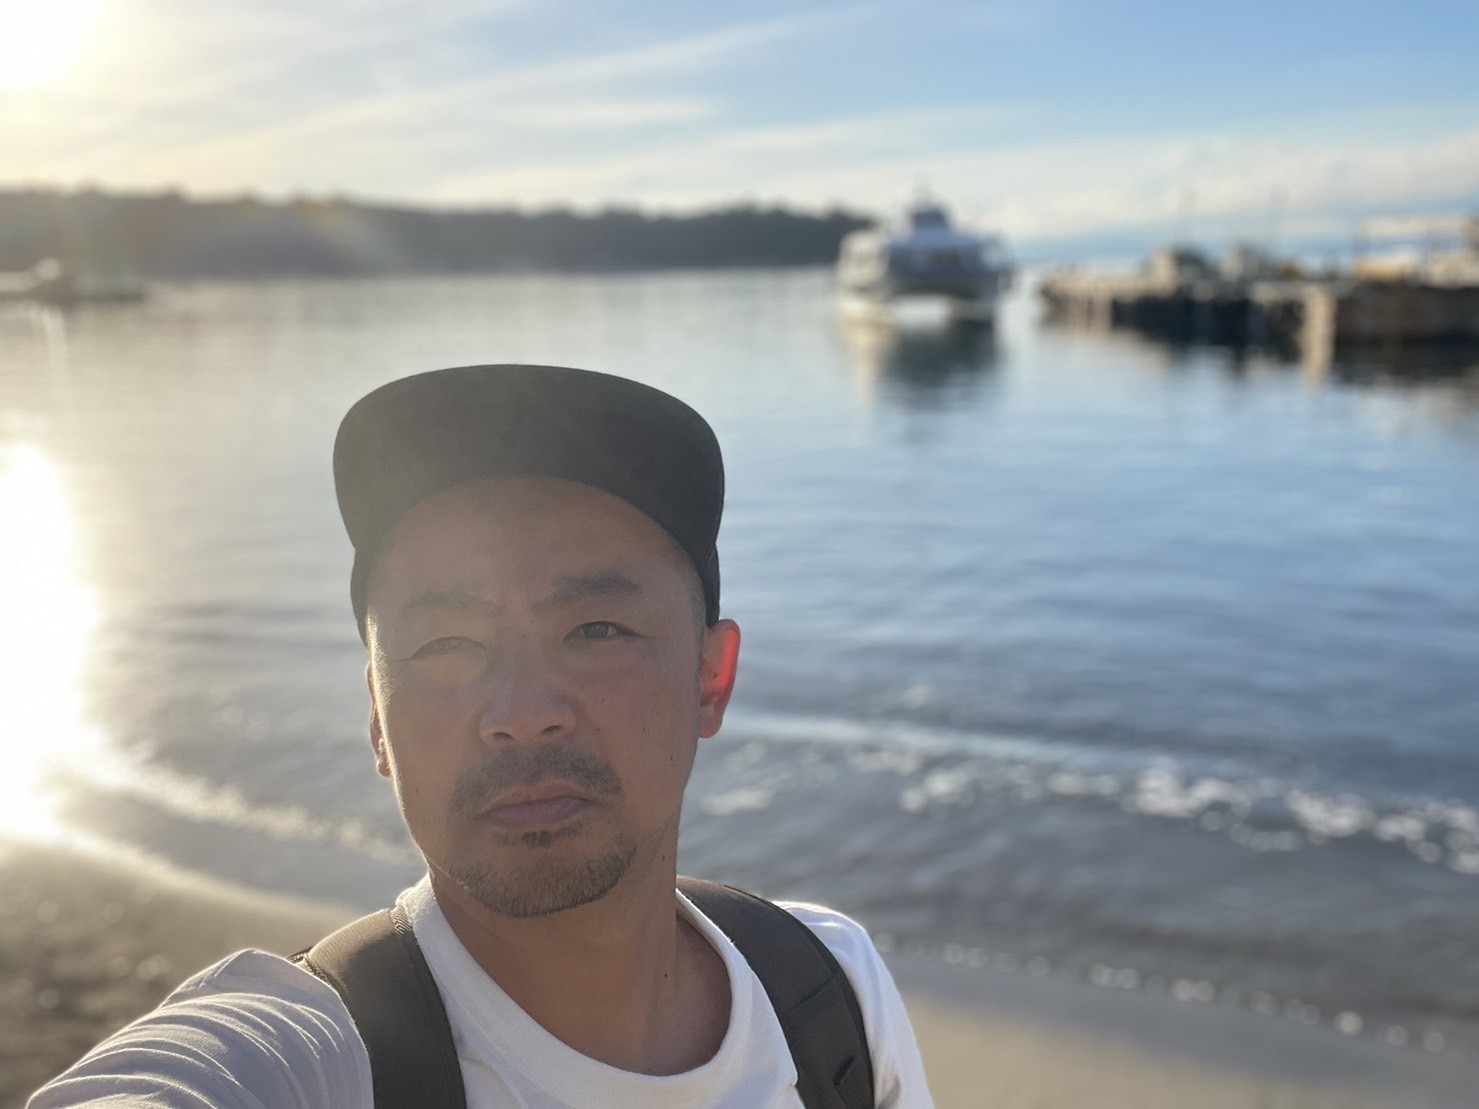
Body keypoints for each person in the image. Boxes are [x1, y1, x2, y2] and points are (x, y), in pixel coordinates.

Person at [30, 364, 934, 1108]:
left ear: (711, 676)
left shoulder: (827, 993)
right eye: (444, 645)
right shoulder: (313, 1058)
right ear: (377, 714)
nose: (521, 710)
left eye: (597, 629)